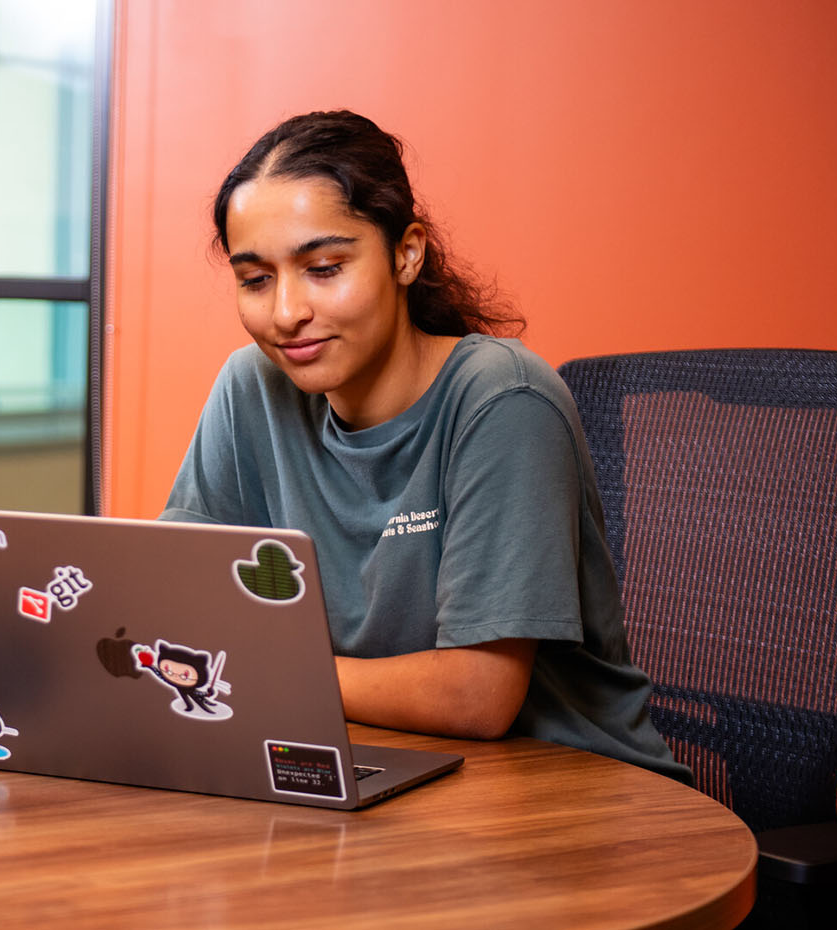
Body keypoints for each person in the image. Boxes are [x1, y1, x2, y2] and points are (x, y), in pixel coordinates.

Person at [162, 110, 688, 779]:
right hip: (381, 766)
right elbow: (177, 612)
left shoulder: (504, 399)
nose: (286, 311)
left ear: (406, 253)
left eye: (324, 268)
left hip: (569, 794)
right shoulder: (252, 387)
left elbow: (476, 697)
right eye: (255, 278)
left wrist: (260, 666)